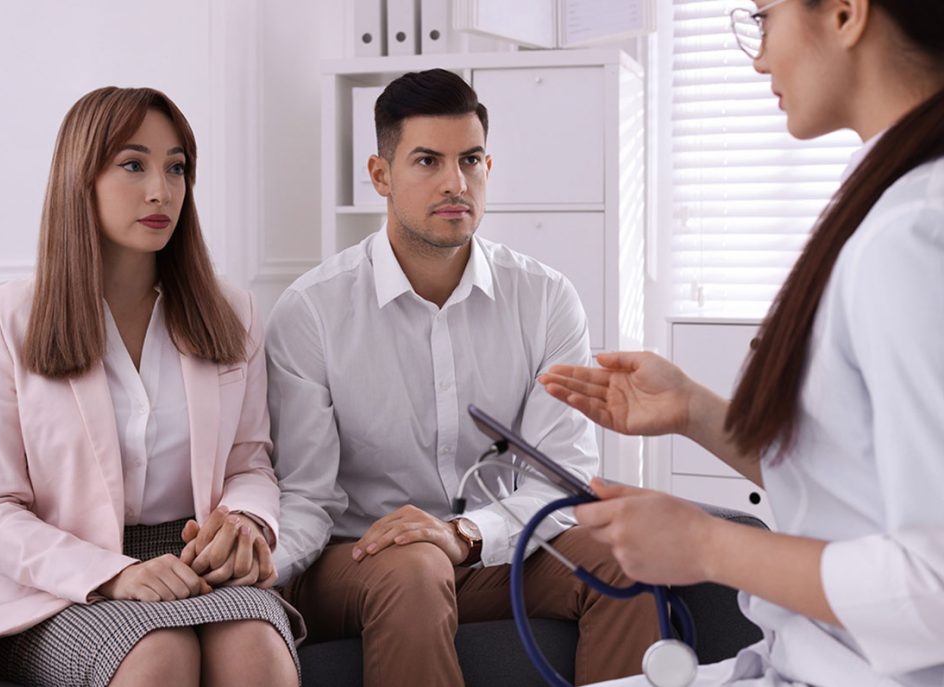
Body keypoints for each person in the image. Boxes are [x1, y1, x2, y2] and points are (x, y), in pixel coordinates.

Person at [539, 1, 944, 685]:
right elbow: (858, 485)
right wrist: (696, 411)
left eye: (763, 18)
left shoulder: (911, 236)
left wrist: (705, 546)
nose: (758, 59)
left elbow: (932, 582)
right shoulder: (892, 203)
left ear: (845, 14)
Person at [265, 68, 657, 686]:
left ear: (487, 167)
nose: (455, 183)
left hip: (489, 550)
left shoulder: (545, 298)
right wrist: (263, 569)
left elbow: (562, 478)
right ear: (380, 176)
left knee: (627, 555)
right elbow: (307, 497)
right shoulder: (311, 311)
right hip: (360, 561)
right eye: (427, 161)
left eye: (470, 160)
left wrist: (466, 534)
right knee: (415, 565)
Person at [0, 87, 303, 687]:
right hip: (54, 585)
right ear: (80, 178)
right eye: (133, 165)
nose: (161, 191)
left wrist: (244, 520)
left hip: (194, 564)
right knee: (159, 653)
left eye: (176, 168)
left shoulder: (233, 312)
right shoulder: (3, 319)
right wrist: (113, 574)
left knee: (255, 650)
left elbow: (249, 462)